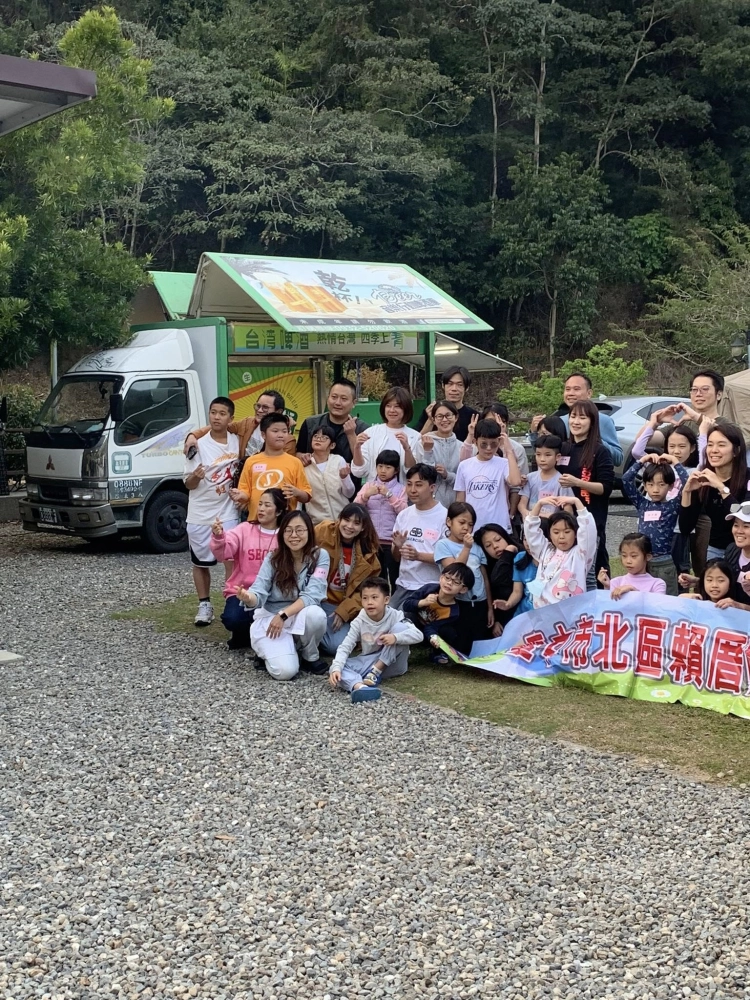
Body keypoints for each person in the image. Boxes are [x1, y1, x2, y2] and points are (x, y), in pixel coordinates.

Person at [236, 509, 329, 680]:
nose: (294, 535)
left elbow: (313, 595)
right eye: (288, 530)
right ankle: (268, 650)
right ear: (282, 533)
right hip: (272, 619)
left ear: (309, 531)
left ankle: (310, 657)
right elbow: (259, 590)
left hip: (295, 614)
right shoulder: (273, 558)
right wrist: (248, 597)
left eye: (300, 530)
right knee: (285, 672)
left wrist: (284, 614)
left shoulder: (320, 556)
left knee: (316, 615)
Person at [183, 396, 241, 627]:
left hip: (228, 511)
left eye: (222, 413)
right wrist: (194, 478)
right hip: (199, 513)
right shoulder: (196, 445)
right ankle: (204, 604)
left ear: (231, 418)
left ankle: (231, 601)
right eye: (213, 412)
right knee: (201, 563)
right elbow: (187, 484)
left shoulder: (238, 441)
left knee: (230, 559)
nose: (216, 417)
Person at [210, 488, 286, 649]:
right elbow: (224, 552)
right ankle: (243, 634)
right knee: (232, 619)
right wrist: (219, 536)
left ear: (279, 511)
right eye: (259, 504)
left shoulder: (285, 535)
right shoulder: (244, 529)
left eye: (267, 505)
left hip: (273, 594)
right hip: (242, 590)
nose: (261, 509)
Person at [328, 577, 423, 702]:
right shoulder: (359, 621)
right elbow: (346, 646)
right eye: (365, 598)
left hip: (394, 663)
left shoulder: (396, 615)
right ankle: (361, 687)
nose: (369, 602)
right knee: (335, 668)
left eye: (374, 597)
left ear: (386, 600)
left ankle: (377, 670)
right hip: (370, 661)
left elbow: (418, 635)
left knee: (400, 628)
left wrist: (395, 637)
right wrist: (336, 668)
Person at [558, 398, 614, 580]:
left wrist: (578, 482)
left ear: (592, 422)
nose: (576, 422)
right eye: (573, 416)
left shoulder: (600, 450)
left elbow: (605, 488)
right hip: (565, 521)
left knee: (592, 572)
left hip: (590, 521)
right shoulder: (564, 448)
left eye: (582, 418)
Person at [314, 504, 381, 656]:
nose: (350, 526)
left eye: (356, 523)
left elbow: (367, 591)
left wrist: (345, 610)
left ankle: (314, 637)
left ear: (363, 527)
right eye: (346, 520)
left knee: (335, 647)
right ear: (339, 519)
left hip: (339, 605)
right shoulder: (323, 531)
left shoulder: (368, 552)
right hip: (318, 598)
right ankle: (309, 639)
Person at [679, 421, 750, 561]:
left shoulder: (747, 478)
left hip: (745, 549)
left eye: (721, 445)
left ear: (736, 450)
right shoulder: (703, 479)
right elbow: (685, 528)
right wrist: (687, 493)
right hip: (715, 549)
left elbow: (744, 515)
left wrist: (721, 487)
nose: (714, 450)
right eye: (710, 444)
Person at [621, 455, 688, 595]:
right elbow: (626, 479)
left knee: (667, 602)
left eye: (661, 484)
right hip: (643, 563)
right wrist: (642, 461)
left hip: (664, 564)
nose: (655, 490)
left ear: (671, 486)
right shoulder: (642, 504)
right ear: (644, 485)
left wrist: (675, 462)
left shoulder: (673, 505)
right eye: (650, 484)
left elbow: (687, 483)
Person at [233, 413, 311, 521]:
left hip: (284, 524)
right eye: (275, 431)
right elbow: (245, 493)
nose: (281, 435)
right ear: (263, 435)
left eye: (284, 431)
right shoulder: (251, 461)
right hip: (256, 522)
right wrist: (240, 496)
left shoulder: (295, 462)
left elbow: (306, 496)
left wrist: (297, 492)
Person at [533, 372, 624, 465]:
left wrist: (592, 438)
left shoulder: (603, 420)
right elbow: (543, 453)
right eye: (567, 389)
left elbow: (618, 459)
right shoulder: (558, 420)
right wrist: (534, 433)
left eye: (576, 389)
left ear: (589, 393)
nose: (571, 393)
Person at [390, 464, 447, 609]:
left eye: (419, 485)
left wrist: (418, 556)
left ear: (432, 487)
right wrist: (398, 546)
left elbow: (449, 559)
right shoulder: (404, 515)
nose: (412, 490)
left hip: (430, 588)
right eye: (409, 484)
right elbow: (397, 557)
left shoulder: (445, 517)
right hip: (403, 585)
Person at [184, 389, 295, 464]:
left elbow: (284, 466)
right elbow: (221, 425)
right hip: (242, 486)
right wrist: (193, 435)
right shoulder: (247, 423)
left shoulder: (287, 440)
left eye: (265, 407)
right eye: (258, 406)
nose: (259, 410)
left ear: (279, 411)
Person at [523, 496, 598, 607]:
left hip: (570, 614)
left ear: (576, 533)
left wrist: (577, 502)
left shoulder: (580, 554)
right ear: (549, 534)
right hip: (543, 613)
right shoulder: (545, 550)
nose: (561, 537)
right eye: (556, 532)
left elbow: (589, 531)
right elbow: (531, 532)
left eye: (567, 532)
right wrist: (538, 505)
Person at [434, 502, 493, 639]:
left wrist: (490, 608)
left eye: (470, 524)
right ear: (449, 521)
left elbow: (484, 578)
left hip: (480, 601)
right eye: (462, 522)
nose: (466, 528)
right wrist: (466, 548)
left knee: (479, 638)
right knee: (461, 639)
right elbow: (455, 572)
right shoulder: (443, 545)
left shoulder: (477, 547)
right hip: (457, 601)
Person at [455, 418, 521, 531]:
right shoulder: (464, 465)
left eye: (493, 444)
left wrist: (508, 450)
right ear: (475, 442)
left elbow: (515, 482)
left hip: (499, 526)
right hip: (473, 526)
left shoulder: (504, 463)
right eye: (484, 444)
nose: (489, 449)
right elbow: (461, 499)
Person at [354, 450, 407, 589]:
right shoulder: (368, 486)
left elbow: (404, 512)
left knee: (394, 575)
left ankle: (393, 604)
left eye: (388, 467)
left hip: (392, 542)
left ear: (396, 470)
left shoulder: (401, 489)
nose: (383, 471)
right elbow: (355, 509)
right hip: (371, 540)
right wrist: (366, 496)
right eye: (380, 466)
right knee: (375, 575)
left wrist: (389, 495)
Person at [403, 563, 476, 663]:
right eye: (447, 578)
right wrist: (422, 602)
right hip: (414, 626)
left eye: (456, 582)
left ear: (463, 589)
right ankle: (403, 648)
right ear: (441, 577)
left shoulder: (453, 611)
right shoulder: (429, 589)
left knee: (449, 632)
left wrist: (432, 637)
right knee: (409, 617)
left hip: (428, 634)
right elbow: (406, 605)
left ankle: (437, 654)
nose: (449, 583)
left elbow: (433, 627)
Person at [351, 386, 421, 484]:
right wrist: (357, 447)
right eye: (388, 405)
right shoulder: (371, 433)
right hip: (374, 495)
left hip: (402, 496)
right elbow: (359, 471)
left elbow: (413, 473)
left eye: (397, 406)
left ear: (406, 409)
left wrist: (407, 449)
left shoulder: (415, 437)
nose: (392, 410)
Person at [295, 378, 368, 472]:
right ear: (328, 398)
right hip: (313, 483)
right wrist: (302, 457)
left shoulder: (363, 429)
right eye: (334, 397)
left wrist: (351, 434)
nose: (337, 403)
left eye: (344, 399)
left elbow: (363, 465)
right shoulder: (310, 423)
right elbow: (297, 453)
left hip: (349, 484)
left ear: (354, 403)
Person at [414, 400, 461, 508]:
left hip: (455, 507)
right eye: (439, 416)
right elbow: (424, 477)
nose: (444, 420)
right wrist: (428, 452)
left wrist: (447, 475)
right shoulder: (422, 443)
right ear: (434, 420)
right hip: (430, 505)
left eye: (448, 415)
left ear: (456, 417)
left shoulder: (463, 447)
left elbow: (465, 480)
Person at [304, 425, 355, 524]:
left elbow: (349, 493)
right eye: (316, 436)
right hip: (318, 523)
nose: (319, 439)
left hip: (343, 520)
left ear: (332, 445)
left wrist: (344, 478)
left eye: (325, 437)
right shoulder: (305, 464)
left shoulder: (338, 460)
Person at [474, 523, 519, 634]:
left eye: (498, 540)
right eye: (488, 545)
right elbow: (497, 580)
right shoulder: (488, 569)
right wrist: (507, 554)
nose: (495, 546)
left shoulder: (523, 555)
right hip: (505, 621)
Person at [415, 365, 478, 441]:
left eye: (459, 385)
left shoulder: (473, 416)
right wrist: (431, 420)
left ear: (467, 388)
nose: (454, 389)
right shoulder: (430, 411)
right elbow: (415, 442)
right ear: (443, 385)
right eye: (450, 384)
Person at [518, 434, 574, 519]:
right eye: (538, 454)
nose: (542, 459)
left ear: (557, 457)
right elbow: (522, 504)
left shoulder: (562, 481)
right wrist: (526, 513)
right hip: (531, 524)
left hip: (552, 526)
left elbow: (568, 509)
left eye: (547, 455)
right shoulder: (530, 478)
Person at [597, 534, 666, 598]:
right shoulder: (616, 582)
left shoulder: (657, 584)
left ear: (647, 557)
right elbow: (609, 606)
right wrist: (607, 587)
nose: (628, 561)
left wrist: (633, 591)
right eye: (624, 556)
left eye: (633, 556)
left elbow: (656, 608)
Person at [679, 558, 750, 610]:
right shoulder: (697, 601)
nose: (714, 585)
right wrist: (682, 600)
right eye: (709, 580)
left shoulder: (738, 602)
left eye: (720, 580)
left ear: (730, 582)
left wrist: (739, 606)